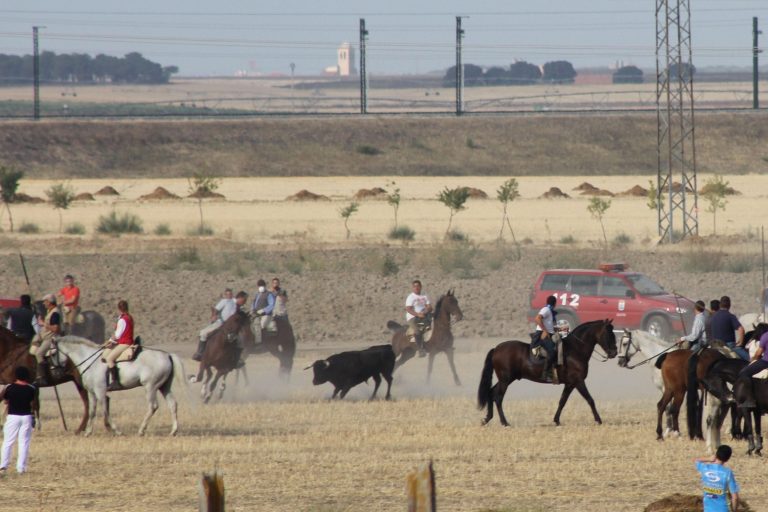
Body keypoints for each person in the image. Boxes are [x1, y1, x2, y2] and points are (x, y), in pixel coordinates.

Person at [0, 366, 36, 475]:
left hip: (13, 417)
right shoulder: (31, 388)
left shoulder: (9, 387)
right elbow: (32, 402)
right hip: (26, 417)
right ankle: (21, 468)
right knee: (24, 442)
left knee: (8, 442)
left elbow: (4, 399)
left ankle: (3, 466)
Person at [193, 289, 237, 362]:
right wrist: (214, 316)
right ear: (225, 295)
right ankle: (200, 353)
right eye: (228, 294)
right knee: (203, 333)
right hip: (221, 322)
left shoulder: (234, 302)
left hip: (232, 325)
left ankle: (237, 358)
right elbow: (215, 310)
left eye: (230, 294)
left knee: (238, 339)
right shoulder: (224, 301)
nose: (229, 296)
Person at [695, 445, 740, 512]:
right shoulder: (727, 473)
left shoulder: (705, 468)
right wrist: (734, 510)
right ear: (727, 459)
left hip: (708, 509)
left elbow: (696, 461)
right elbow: (735, 497)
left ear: (716, 454)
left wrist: (709, 459)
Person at [31, 294, 62, 386]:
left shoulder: (55, 313)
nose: (44, 303)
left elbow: (56, 329)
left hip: (51, 338)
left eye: (45, 301)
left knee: (39, 354)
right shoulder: (50, 311)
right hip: (44, 337)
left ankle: (42, 377)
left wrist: (43, 323)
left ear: (49, 302)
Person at [735, 326, 768, 408]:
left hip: (765, 362)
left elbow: (758, 353)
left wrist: (752, 359)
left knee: (744, 373)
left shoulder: (766, 336)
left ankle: (750, 399)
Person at [104, 300, 134, 392]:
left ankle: (115, 382)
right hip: (126, 341)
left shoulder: (122, 320)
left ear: (119, 309)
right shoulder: (129, 317)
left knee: (109, 359)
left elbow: (117, 335)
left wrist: (109, 341)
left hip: (125, 343)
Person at [710, 296, 747, 360]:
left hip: (715, 345)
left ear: (720, 305)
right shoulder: (730, 316)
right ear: (729, 305)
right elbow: (741, 329)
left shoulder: (713, 316)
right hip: (728, 345)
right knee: (749, 358)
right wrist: (740, 342)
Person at [532, 295, 558, 381]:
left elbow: (552, 326)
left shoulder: (550, 311)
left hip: (548, 334)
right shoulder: (546, 310)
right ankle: (545, 374)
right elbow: (537, 318)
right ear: (555, 303)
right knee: (552, 351)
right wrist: (545, 330)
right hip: (542, 335)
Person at [405, 280, 432, 357]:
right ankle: (420, 350)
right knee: (417, 330)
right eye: (415, 286)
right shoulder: (411, 297)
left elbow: (429, 307)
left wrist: (425, 312)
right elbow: (408, 309)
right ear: (412, 288)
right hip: (413, 317)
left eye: (418, 286)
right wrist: (417, 314)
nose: (416, 288)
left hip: (425, 315)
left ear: (421, 287)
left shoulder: (424, 296)